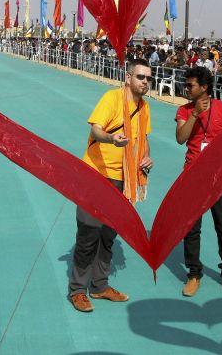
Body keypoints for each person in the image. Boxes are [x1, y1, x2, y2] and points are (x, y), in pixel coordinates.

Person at [68, 58, 154, 313]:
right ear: (128, 78)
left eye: (148, 78)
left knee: (108, 235)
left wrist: (146, 157)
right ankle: (77, 291)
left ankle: (100, 285)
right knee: (88, 234)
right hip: (96, 176)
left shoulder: (145, 107)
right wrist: (111, 139)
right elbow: (96, 130)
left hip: (123, 180)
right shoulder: (112, 98)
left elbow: (144, 138)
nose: (145, 82)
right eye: (141, 77)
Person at [175, 66, 222, 297]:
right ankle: (193, 274)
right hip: (192, 177)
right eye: (187, 84)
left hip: (218, 178)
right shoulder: (184, 110)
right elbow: (181, 138)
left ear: (204, 87)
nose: (187, 88)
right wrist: (194, 114)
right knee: (191, 228)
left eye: (191, 85)